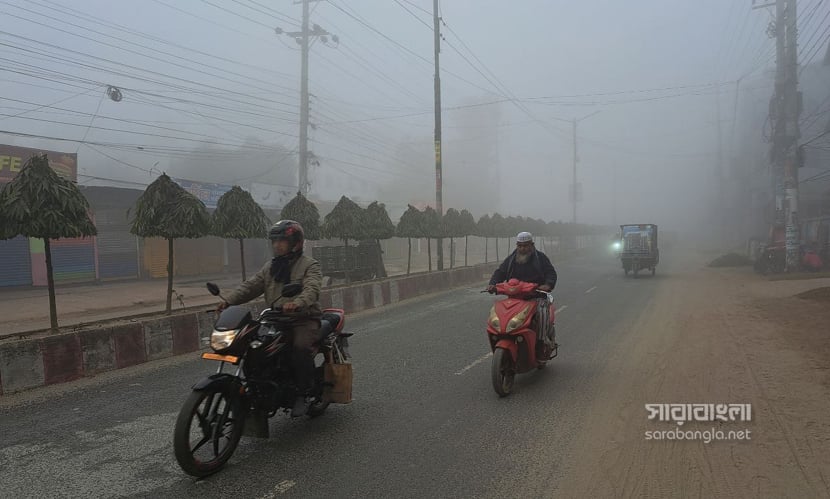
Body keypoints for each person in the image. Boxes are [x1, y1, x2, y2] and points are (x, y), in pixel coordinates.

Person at [217, 220, 323, 417]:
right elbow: (251, 286)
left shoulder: (309, 265)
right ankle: (258, 388)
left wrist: (298, 303)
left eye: (282, 241)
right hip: (275, 318)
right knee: (253, 346)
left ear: (296, 243)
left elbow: (312, 288)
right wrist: (228, 301)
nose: (277, 245)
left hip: (303, 318)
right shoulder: (271, 267)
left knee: (300, 347)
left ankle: (303, 392)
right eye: (274, 241)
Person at [487, 231, 558, 349]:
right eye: (520, 246)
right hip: (515, 298)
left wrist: (547, 285)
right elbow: (500, 272)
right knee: (499, 314)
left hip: (536, 297)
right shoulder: (511, 259)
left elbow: (551, 273)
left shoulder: (541, 258)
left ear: (532, 245)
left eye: (525, 245)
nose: (522, 248)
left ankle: (542, 342)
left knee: (542, 314)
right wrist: (492, 284)